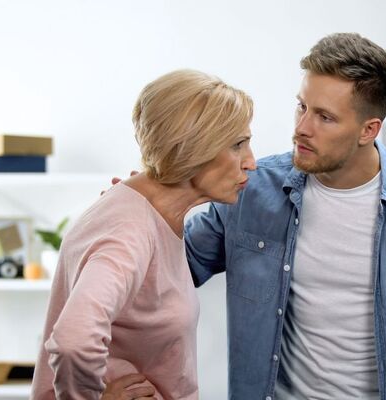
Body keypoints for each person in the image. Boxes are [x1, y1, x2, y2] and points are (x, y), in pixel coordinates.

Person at [184, 33, 386, 399]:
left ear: (369, 130)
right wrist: (141, 209)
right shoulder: (249, 192)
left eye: (325, 117)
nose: (302, 127)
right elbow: (168, 272)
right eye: (302, 106)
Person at [31, 69, 256, 399]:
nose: (251, 161)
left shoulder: (149, 212)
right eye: (238, 145)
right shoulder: (129, 230)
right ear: (193, 149)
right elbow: (74, 341)